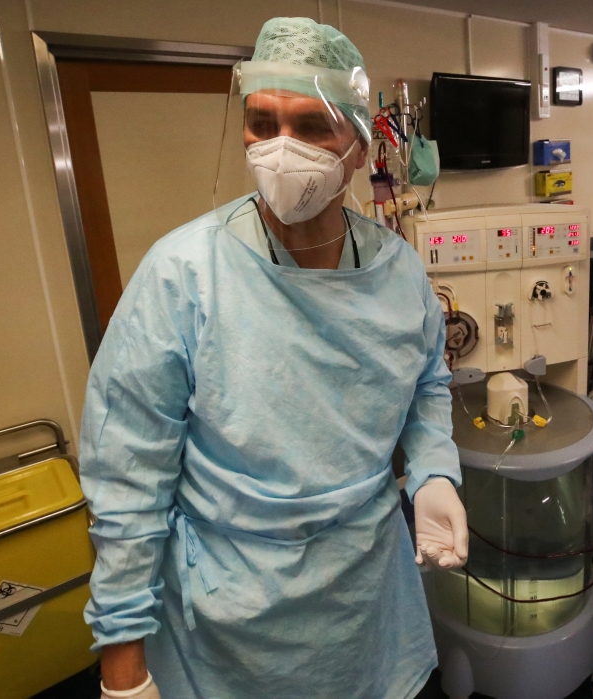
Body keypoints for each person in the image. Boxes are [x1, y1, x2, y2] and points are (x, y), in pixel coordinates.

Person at [81, 17, 468, 699]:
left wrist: (435, 468)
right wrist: (122, 666)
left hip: (364, 603)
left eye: (312, 127)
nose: (281, 149)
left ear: (356, 146)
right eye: (262, 123)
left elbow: (427, 383)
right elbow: (127, 482)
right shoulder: (183, 274)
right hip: (232, 624)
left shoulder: (400, 274)